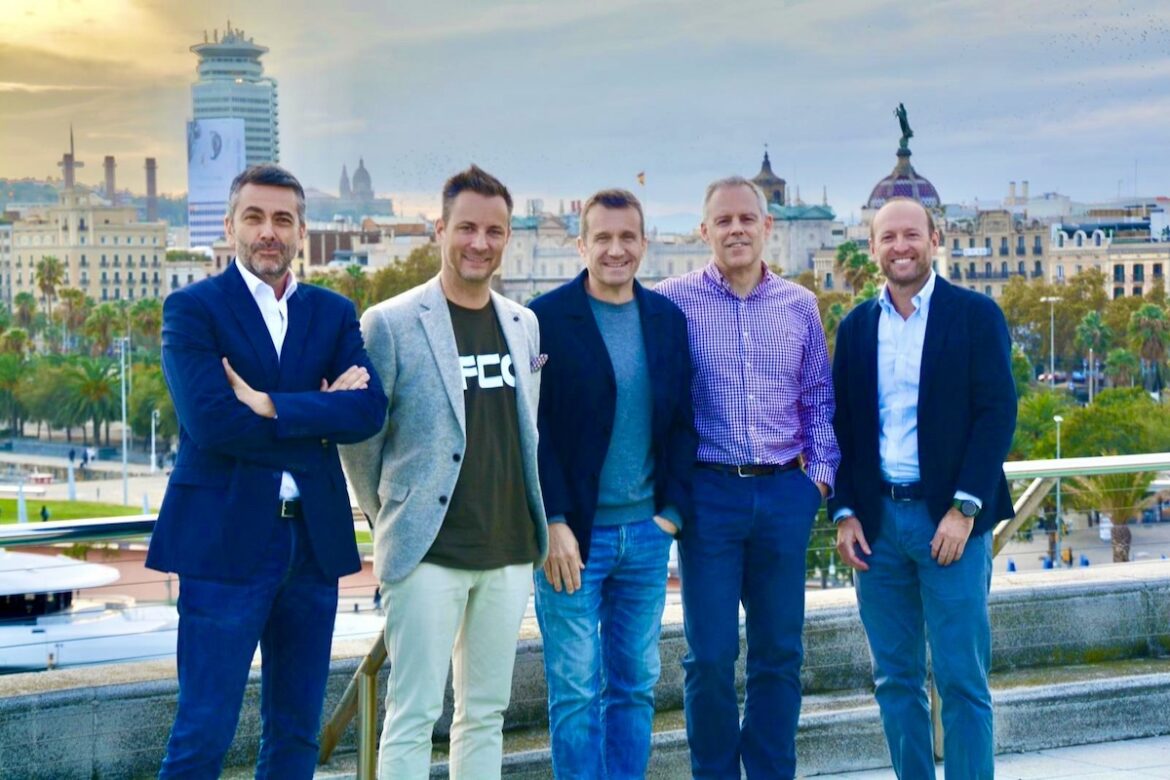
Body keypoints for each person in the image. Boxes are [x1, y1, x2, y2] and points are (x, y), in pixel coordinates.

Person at [145, 164, 388, 779]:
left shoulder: (333, 312)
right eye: (254, 217)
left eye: (283, 219)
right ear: (231, 227)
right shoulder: (193, 309)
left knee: (296, 734)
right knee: (203, 731)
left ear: (302, 231)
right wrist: (317, 411)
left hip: (313, 544)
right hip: (223, 546)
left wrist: (269, 403)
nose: (268, 231)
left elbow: (368, 411)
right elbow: (213, 425)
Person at [339, 165, 548, 779]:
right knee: (413, 713)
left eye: (494, 231)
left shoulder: (523, 323)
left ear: (507, 236)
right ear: (440, 229)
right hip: (427, 551)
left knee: (485, 713)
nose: (480, 243)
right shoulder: (390, 322)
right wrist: (391, 517)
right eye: (467, 228)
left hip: (509, 549)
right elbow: (362, 442)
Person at [656, 176, 839, 778]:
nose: (736, 229)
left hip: (784, 492)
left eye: (746, 219)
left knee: (779, 654)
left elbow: (818, 399)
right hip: (710, 496)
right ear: (704, 231)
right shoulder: (671, 301)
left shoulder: (799, 305)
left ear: (767, 227)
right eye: (723, 221)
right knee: (709, 656)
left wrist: (815, 483)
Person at [830, 197, 1017, 778]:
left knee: (962, 680)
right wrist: (844, 511)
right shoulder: (856, 328)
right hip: (877, 527)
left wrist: (965, 509)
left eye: (911, 234)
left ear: (935, 240)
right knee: (895, 681)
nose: (900, 246)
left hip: (951, 523)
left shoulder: (975, 315)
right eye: (888, 237)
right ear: (872, 248)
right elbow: (840, 427)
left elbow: (997, 414)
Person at [529, 188, 695, 778]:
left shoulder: (667, 320)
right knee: (575, 691)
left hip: (647, 534)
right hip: (574, 538)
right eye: (603, 237)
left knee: (636, 685)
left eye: (627, 237)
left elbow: (683, 424)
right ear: (581, 245)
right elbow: (534, 430)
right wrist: (552, 521)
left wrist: (671, 514)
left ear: (644, 243)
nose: (616, 249)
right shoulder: (544, 320)